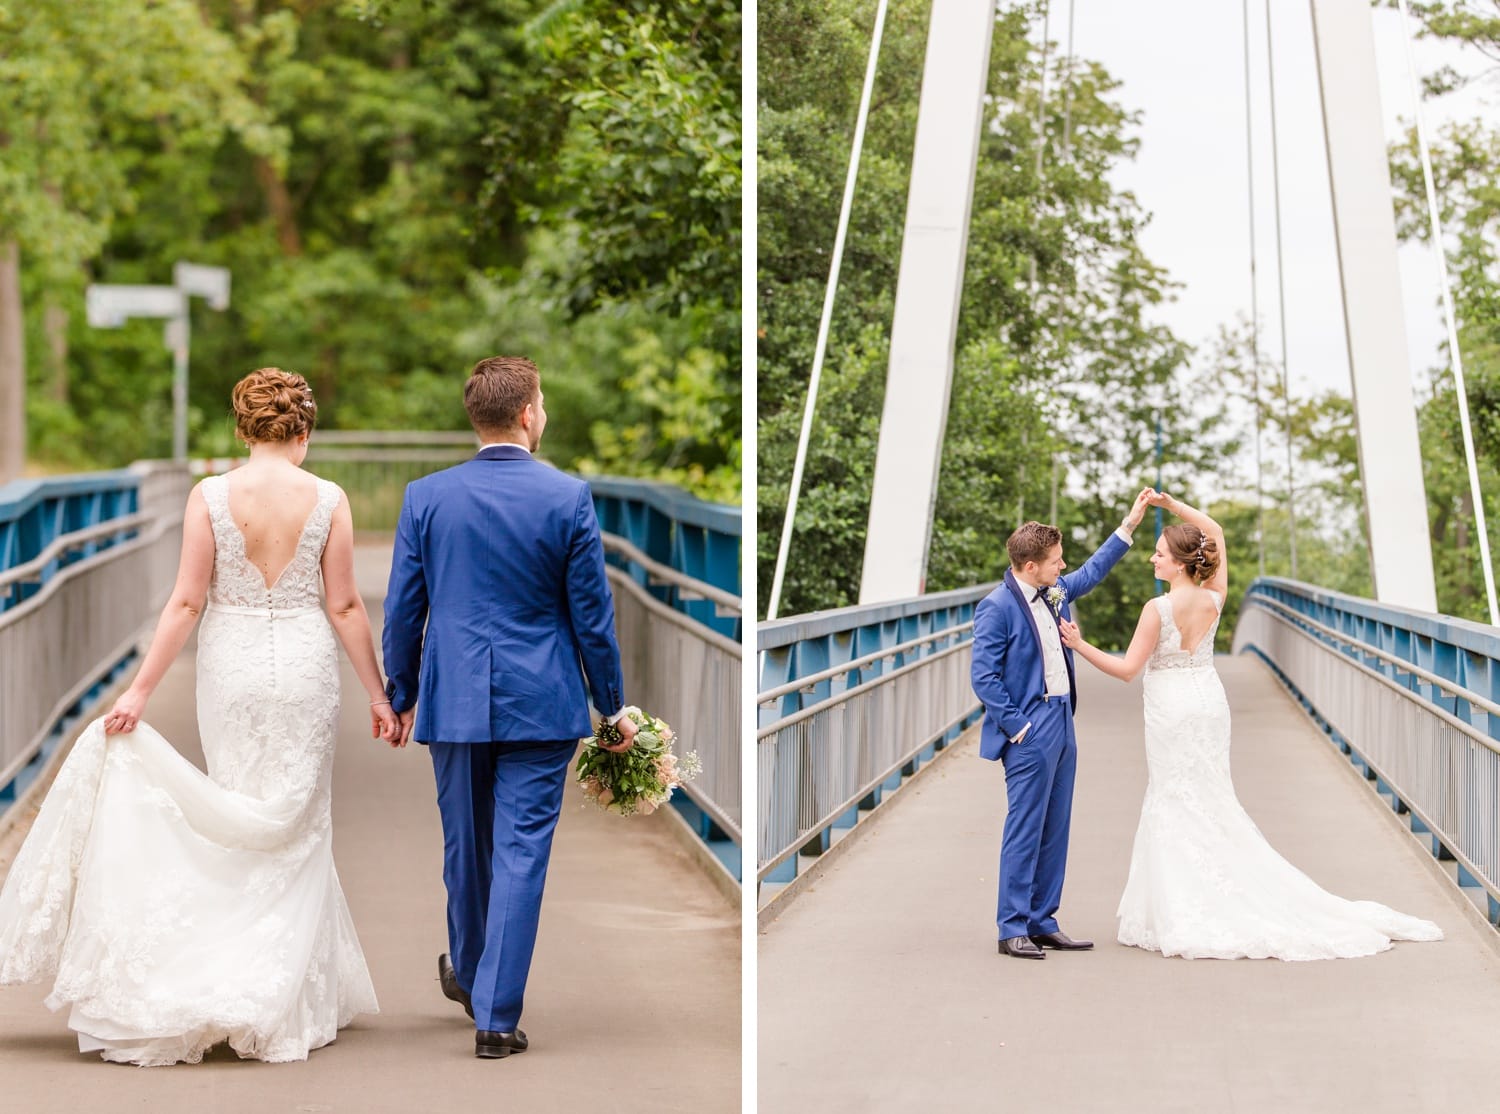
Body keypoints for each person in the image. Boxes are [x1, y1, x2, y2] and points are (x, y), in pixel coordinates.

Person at [0, 368, 393, 1064]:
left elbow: (185, 602)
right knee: (299, 820)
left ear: (242, 430)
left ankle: (231, 970)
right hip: (304, 668)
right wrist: (379, 694)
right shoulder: (329, 497)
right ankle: (283, 995)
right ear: (304, 432)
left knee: (233, 814)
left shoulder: (210, 497)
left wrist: (139, 691)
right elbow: (344, 607)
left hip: (233, 669)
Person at [1059, 490, 1443, 959]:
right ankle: (1217, 890)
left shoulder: (1155, 610)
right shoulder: (1215, 599)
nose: (1151, 560)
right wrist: (1172, 505)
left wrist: (1079, 644)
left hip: (1172, 709)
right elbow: (1215, 532)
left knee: (1174, 796)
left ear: (1179, 564)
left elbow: (1125, 671)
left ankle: (1183, 908)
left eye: (1159, 554)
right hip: (1208, 701)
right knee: (1211, 795)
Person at [382, 355, 635, 1060]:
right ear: (528, 414)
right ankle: (495, 1012)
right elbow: (593, 616)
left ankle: (469, 973)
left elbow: (405, 611)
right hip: (542, 701)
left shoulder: (425, 497)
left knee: (466, 846)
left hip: (455, 699)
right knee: (521, 852)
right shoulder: (567, 497)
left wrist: (400, 695)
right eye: (543, 404)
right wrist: (612, 708)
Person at [972, 490, 1154, 960]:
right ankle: (1011, 926)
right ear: (1030, 566)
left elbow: (1092, 571)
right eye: (1055, 561)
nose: (1063, 566)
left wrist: (1128, 526)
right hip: (1030, 729)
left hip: (1063, 719)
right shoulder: (997, 607)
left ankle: (1042, 920)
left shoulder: (1055, 591)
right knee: (1025, 827)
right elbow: (984, 677)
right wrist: (1019, 727)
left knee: (1057, 827)